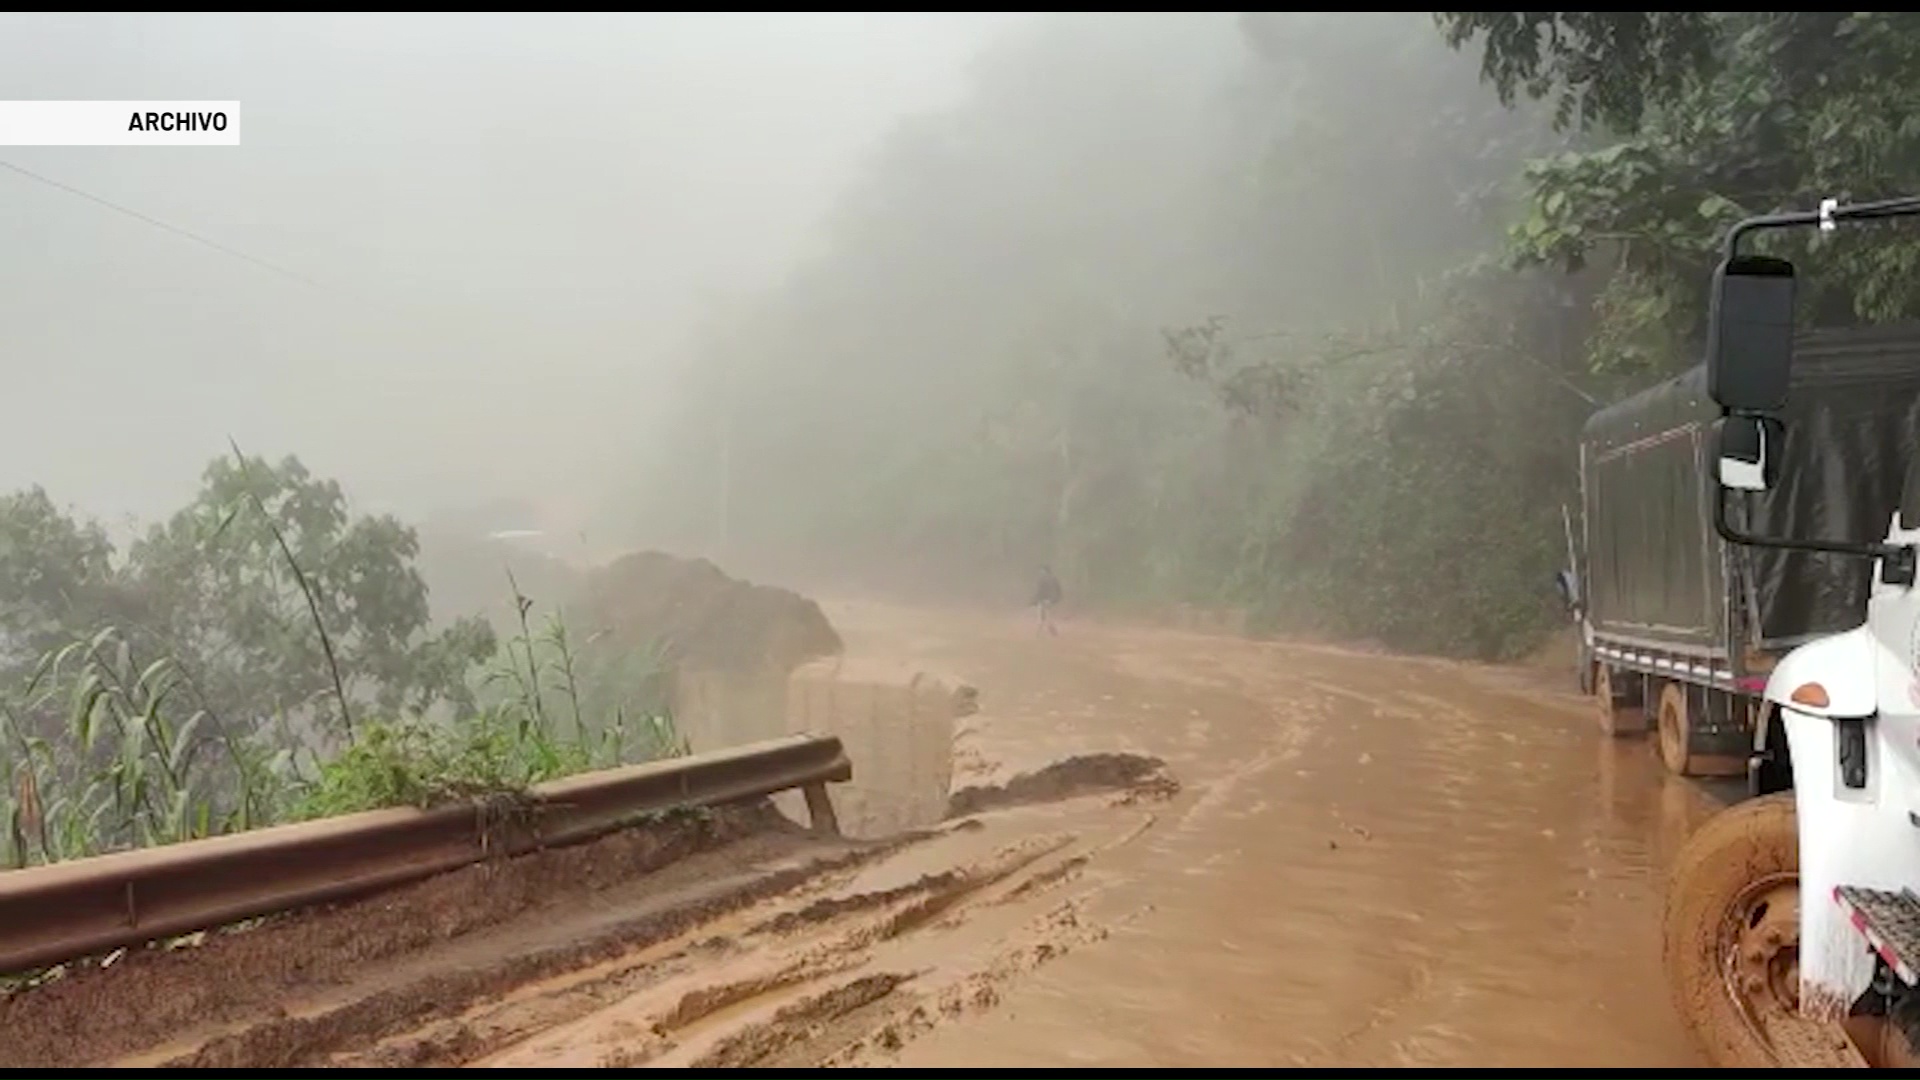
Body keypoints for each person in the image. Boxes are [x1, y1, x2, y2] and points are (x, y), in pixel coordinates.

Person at [1031, 564, 1063, 636]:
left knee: (1041, 617)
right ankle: (1053, 632)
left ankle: (1038, 634)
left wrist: (1034, 601)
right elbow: (1058, 590)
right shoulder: (1054, 579)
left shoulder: (1041, 579)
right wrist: (1055, 599)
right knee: (1048, 617)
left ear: (1044, 571)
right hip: (1050, 601)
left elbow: (1039, 591)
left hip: (1043, 600)